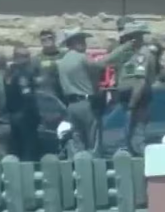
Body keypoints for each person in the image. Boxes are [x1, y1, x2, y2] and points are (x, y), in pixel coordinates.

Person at [57, 28, 134, 152]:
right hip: (85, 103)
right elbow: (102, 64)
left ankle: (80, 160)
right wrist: (122, 49)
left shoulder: (63, 61)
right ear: (72, 43)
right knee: (93, 139)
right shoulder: (81, 57)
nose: (84, 43)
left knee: (78, 139)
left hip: (71, 105)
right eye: (80, 40)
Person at [117, 22, 156, 155]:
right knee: (129, 136)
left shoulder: (142, 55)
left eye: (130, 38)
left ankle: (144, 161)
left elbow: (140, 81)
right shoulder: (131, 54)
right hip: (129, 99)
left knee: (137, 137)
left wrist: (132, 104)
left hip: (138, 100)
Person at [5, 45, 41, 161]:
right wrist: (37, 114)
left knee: (16, 151)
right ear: (17, 57)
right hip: (25, 117)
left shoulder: (9, 73)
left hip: (13, 116)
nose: (28, 59)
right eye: (25, 56)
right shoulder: (23, 74)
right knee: (29, 152)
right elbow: (28, 96)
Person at [31, 29, 65, 102]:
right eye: (43, 39)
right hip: (48, 95)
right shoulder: (36, 59)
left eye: (49, 38)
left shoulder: (64, 55)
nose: (47, 40)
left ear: (54, 39)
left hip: (65, 93)